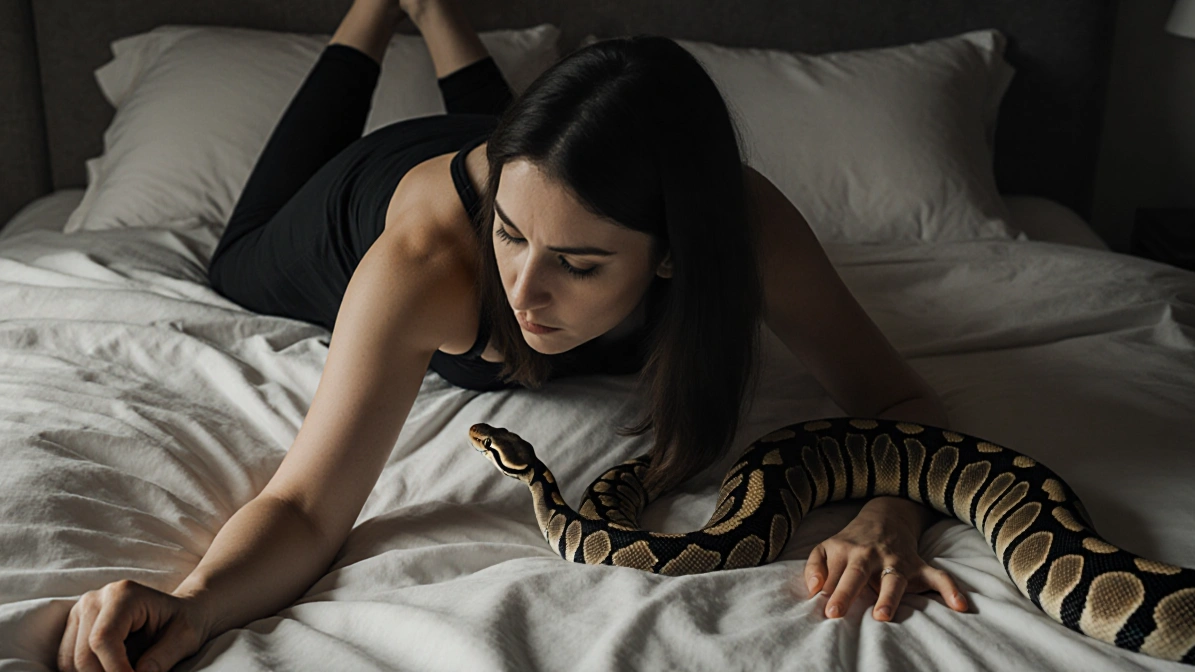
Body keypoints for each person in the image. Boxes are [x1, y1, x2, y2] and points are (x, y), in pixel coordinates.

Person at [56, 1, 968, 670]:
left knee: (549, 178)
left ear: (672, 256)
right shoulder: (426, 263)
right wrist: (195, 602)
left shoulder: (743, 228)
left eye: (577, 265)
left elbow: (896, 404)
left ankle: (442, 18)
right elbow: (305, 507)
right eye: (512, 241)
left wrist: (888, 510)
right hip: (366, 203)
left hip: (528, 166)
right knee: (237, 253)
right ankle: (374, 15)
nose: (522, 291)